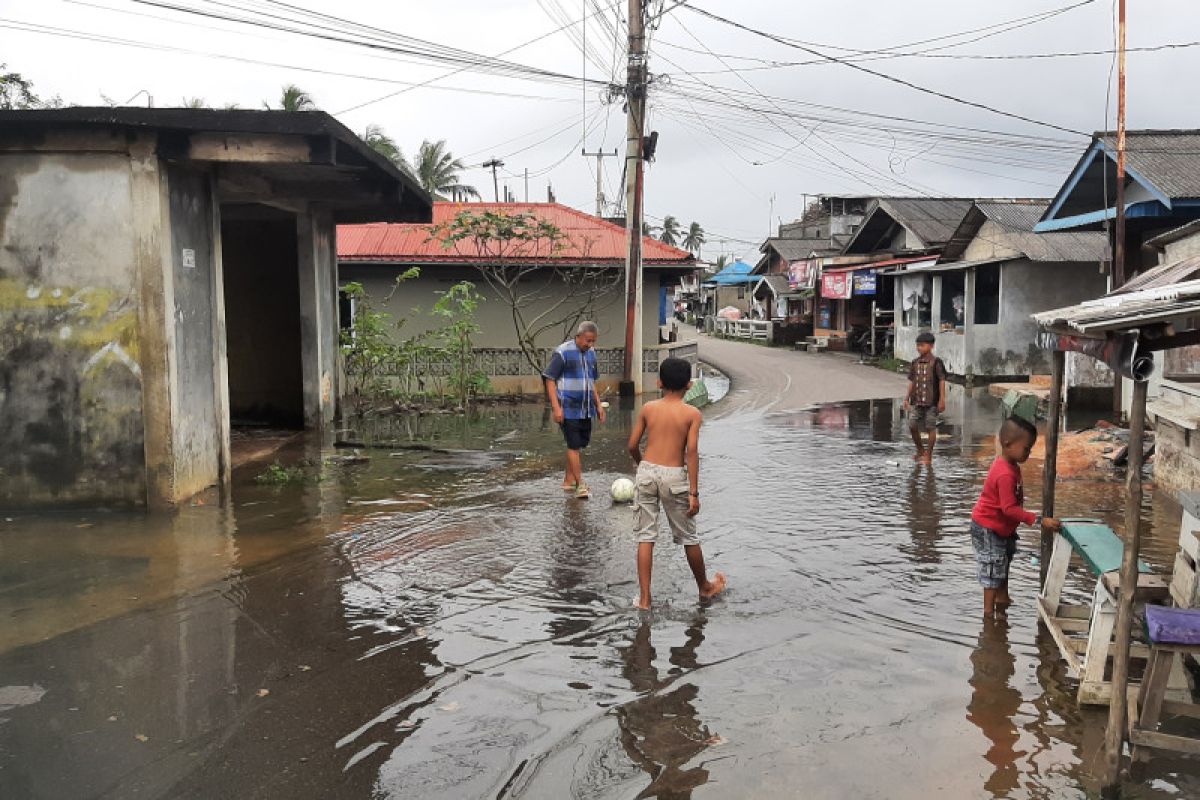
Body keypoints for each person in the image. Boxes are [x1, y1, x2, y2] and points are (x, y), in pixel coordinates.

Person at [627, 357, 726, 610]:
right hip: (674, 476)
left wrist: (642, 465)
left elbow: (631, 445)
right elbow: (691, 453)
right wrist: (694, 492)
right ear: (690, 385)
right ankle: (704, 587)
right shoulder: (692, 414)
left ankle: (645, 600)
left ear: (659, 382)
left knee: (645, 537)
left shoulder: (648, 408)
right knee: (688, 536)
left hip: (647, 471)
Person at [970, 415, 1061, 618]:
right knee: (993, 566)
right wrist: (1038, 520)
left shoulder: (1011, 466)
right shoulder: (1005, 473)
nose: (1028, 453)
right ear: (1008, 444)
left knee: (1004, 559)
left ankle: (1002, 598)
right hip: (988, 527)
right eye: (1026, 448)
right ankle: (988, 613)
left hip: (1002, 528)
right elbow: (1009, 509)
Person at [543, 321, 606, 499]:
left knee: (580, 444)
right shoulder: (562, 352)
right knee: (573, 445)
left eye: (593, 341)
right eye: (587, 340)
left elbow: (591, 381)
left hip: (585, 408)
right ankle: (580, 484)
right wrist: (556, 408)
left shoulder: (591, 354)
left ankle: (568, 480)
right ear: (578, 336)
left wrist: (598, 404)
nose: (590, 344)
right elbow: (549, 379)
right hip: (568, 407)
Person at [904, 330, 947, 463]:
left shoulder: (936, 363)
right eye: (918, 345)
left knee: (930, 427)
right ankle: (920, 450)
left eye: (922, 345)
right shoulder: (915, 363)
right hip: (917, 401)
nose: (919, 348)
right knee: (912, 425)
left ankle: (929, 454)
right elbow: (911, 381)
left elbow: (942, 380)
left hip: (932, 402)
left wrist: (942, 399)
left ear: (931, 346)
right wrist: (906, 398)